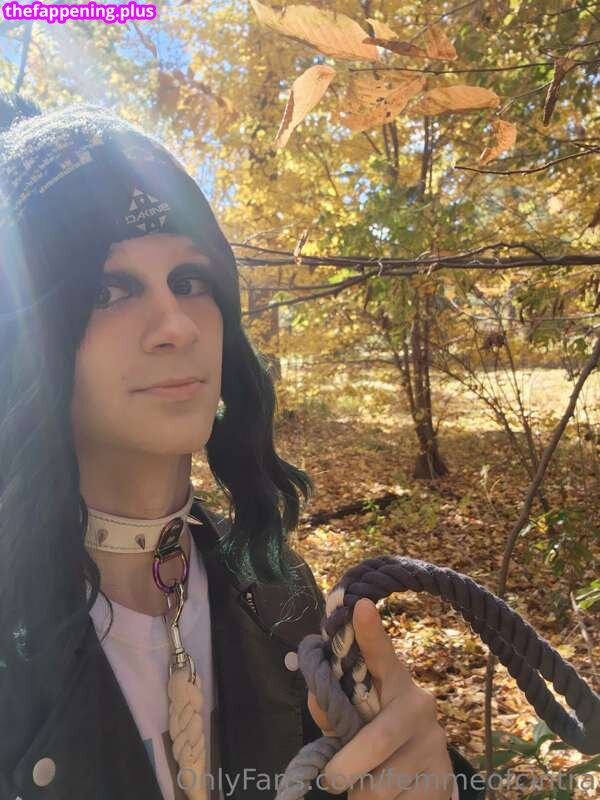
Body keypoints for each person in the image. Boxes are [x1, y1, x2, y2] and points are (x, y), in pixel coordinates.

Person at [0, 93, 483, 800]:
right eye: (107, 290)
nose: (177, 325)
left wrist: (438, 786)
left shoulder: (276, 586)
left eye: (191, 281)